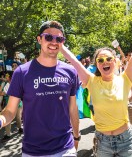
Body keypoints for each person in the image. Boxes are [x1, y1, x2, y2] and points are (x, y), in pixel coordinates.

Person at [60, 11, 132, 157]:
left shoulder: (125, 79)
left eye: (108, 59)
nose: (104, 62)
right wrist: (61, 47)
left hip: (126, 141)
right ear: (97, 65)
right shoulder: (91, 81)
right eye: (100, 60)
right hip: (102, 143)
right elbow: (74, 61)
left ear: (115, 61)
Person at [0, 21, 80, 157]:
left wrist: (77, 136)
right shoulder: (21, 72)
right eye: (48, 37)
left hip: (65, 148)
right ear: (39, 39)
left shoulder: (70, 71)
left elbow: (72, 107)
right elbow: (10, 110)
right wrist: (1, 120)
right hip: (33, 151)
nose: (54, 42)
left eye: (59, 39)